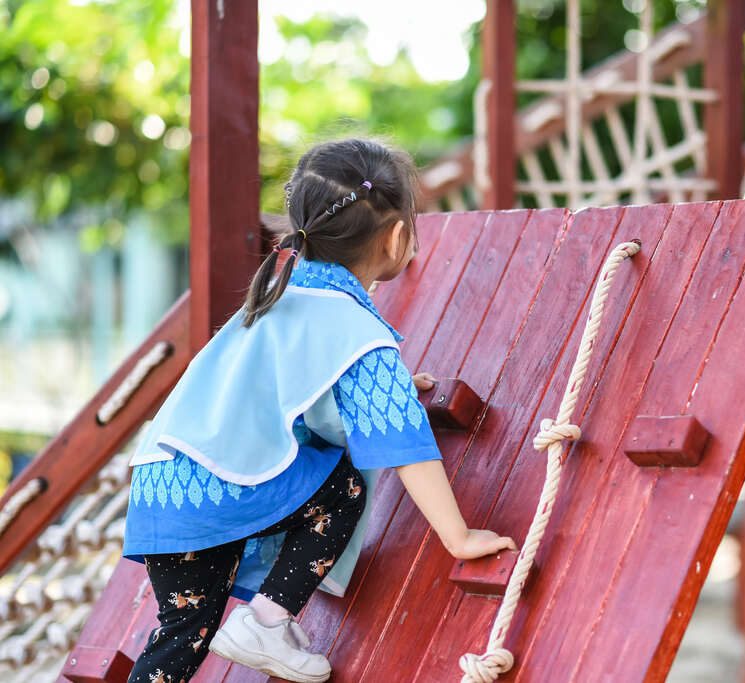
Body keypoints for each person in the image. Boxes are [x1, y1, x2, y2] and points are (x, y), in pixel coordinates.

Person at [122, 138, 516, 683]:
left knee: (180, 640)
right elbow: (402, 445)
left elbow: (302, 395)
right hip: (217, 491)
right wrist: (460, 537)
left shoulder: (276, 292)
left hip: (162, 484)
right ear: (398, 236)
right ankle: (267, 620)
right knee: (346, 482)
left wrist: (394, 383)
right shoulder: (356, 331)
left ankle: (255, 628)